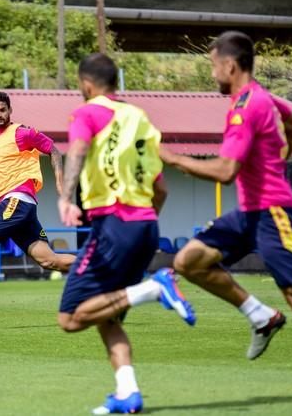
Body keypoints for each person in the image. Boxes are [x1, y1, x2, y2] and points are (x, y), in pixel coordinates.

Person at [159, 30, 292, 359]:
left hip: (274, 212)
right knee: (189, 260)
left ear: (230, 66)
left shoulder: (245, 107)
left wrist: (172, 158)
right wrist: (275, 163)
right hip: (250, 212)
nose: (212, 73)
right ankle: (261, 316)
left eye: (214, 65)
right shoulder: (263, 97)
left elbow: (226, 172)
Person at [57, 53, 196, 415]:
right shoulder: (139, 118)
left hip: (113, 225)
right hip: (146, 226)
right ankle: (128, 394)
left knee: (70, 317)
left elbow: (78, 149)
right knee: (108, 315)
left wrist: (65, 197)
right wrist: (142, 223)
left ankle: (155, 287)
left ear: (86, 84)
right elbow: (161, 188)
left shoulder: (87, 113)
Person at [0, 91, 76, 322]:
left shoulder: (22, 133)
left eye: (3, 110)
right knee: (48, 260)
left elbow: (53, 150)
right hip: (15, 205)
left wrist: (61, 183)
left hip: (18, 199)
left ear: (10, 111)